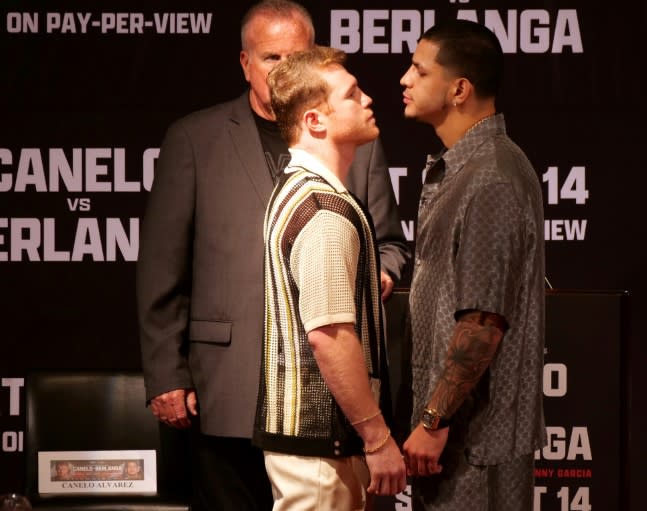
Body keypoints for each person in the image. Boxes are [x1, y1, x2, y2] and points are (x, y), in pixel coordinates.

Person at [136, 1, 408, 509]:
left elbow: (388, 244)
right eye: (270, 58)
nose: (285, 71)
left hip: (319, 401)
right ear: (245, 63)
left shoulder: (356, 144)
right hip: (228, 383)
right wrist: (167, 373)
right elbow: (161, 266)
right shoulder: (195, 138)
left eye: (298, 56)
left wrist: (375, 276)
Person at [399, 19, 546, 510]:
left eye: (419, 71)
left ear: (459, 89)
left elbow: (483, 322)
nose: (404, 79)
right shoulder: (467, 170)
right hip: (457, 443)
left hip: (474, 447)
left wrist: (432, 420)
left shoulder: (492, 180)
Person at [255, 45, 406, 510]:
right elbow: (329, 336)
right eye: (352, 94)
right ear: (316, 121)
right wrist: (378, 440)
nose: (367, 100)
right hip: (324, 450)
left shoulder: (298, 190)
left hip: (314, 447)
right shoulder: (323, 210)